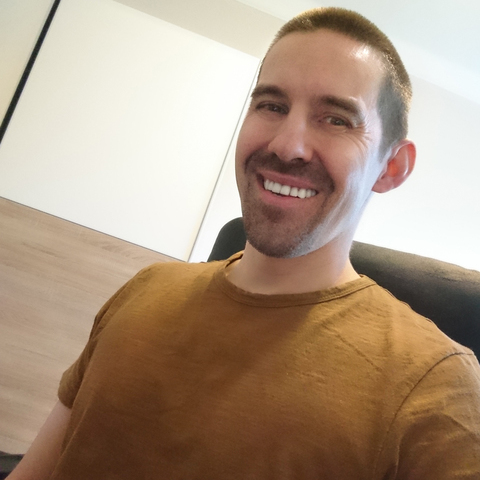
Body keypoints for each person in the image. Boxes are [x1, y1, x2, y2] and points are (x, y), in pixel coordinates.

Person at [8, 7, 480, 480]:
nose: (287, 145)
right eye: (272, 106)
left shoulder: (436, 383)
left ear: (391, 167)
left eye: (336, 119)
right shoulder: (145, 288)